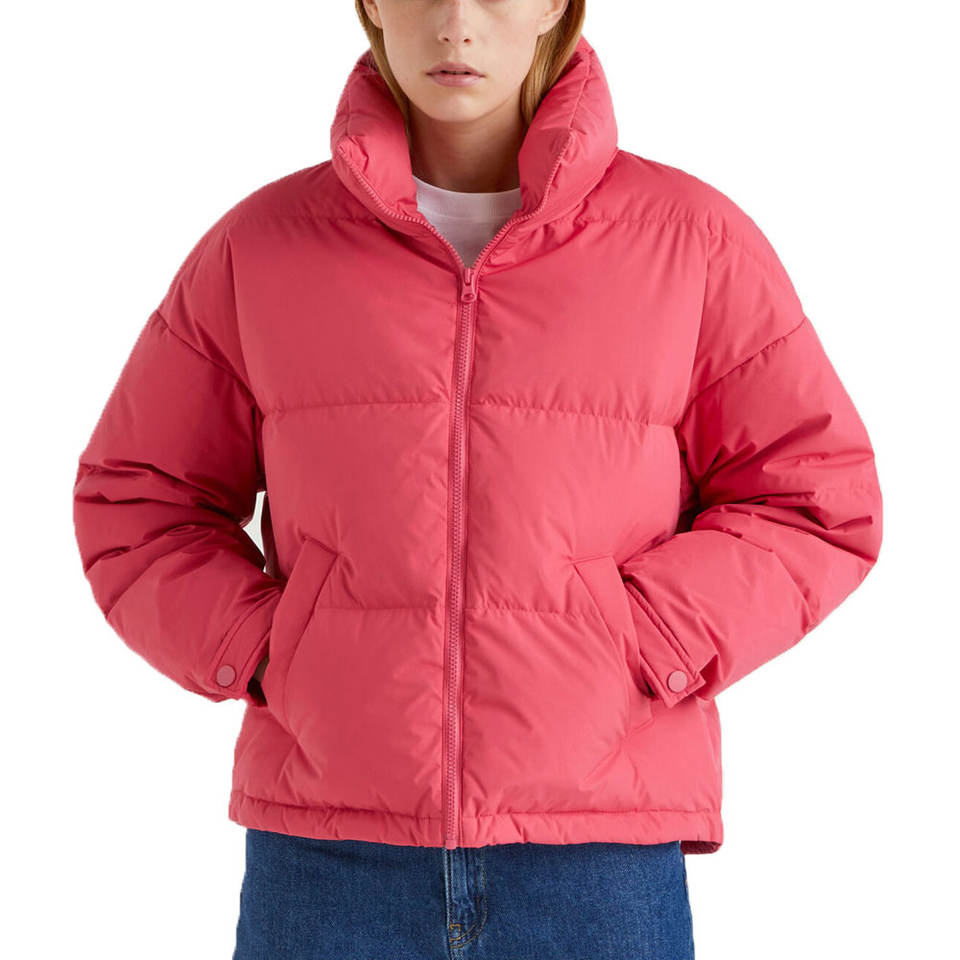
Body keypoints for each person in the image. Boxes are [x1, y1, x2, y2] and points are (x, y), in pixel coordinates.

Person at [71, 1, 883, 957]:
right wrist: (266, 649)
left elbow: (814, 498)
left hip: (597, 858)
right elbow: (138, 500)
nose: (456, 21)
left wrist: (649, 638)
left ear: (554, 6)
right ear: (373, 4)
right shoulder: (263, 247)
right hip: (329, 857)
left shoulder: (689, 240)